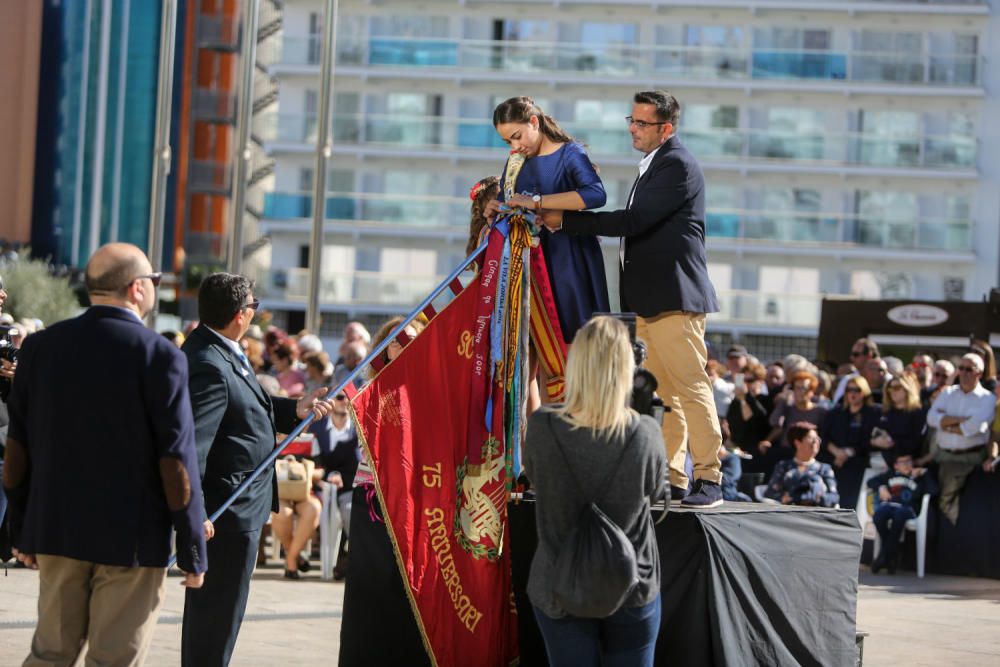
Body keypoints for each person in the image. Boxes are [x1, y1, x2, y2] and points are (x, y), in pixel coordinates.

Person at [2, 243, 207, 665]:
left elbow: (18, 447)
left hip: (57, 529)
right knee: (114, 659)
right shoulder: (160, 355)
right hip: (130, 539)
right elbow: (176, 459)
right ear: (136, 288)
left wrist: (21, 526)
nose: (156, 287)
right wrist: (191, 543)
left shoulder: (42, 348)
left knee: (49, 655)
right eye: (154, 280)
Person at [539, 89, 723, 507]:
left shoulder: (676, 163)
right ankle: (674, 478)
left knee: (691, 388)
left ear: (667, 129)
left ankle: (710, 478)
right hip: (653, 300)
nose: (633, 129)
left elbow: (634, 221)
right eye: (632, 121)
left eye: (641, 124)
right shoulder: (655, 165)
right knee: (667, 396)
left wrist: (567, 221)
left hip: (675, 297)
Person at [181, 272, 334, 667]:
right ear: (238, 316)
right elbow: (194, 447)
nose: (255, 313)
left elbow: (249, 405)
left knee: (222, 616)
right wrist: (194, 512)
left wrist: (294, 408)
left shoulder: (222, 348)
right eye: (254, 306)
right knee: (215, 617)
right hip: (225, 512)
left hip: (240, 507)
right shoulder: (209, 363)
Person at [524, 316, 666, 666]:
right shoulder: (646, 432)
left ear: (577, 364)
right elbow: (657, 491)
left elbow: (536, 480)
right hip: (633, 580)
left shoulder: (544, 425)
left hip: (559, 580)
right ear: (626, 368)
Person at [486, 96, 610, 346]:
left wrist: (538, 201)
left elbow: (596, 194)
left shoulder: (570, 153)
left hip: (569, 258)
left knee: (575, 341)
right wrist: (495, 210)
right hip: (528, 263)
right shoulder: (515, 162)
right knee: (533, 348)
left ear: (534, 122)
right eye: (508, 140)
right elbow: (509, 203)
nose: (514, 145)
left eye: (517, 136)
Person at [925, 353, 996, 524]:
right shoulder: (947, 393)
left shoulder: (988, 398)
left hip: (971, 461)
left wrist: (946, 422)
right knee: (937, 506)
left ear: (979, 373)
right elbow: (931, 419)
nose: (964, 373)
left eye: (969, 369)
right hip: (942, 457)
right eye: (961, 368)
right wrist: (960, 420)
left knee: (964, 511)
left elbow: (971, 429)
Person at [866, 454, 937, 574]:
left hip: (907, 508)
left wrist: (924, 473)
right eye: (903, 462)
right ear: (896, 466)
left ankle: (883, 558)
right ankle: (891, 555)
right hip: (889, 505)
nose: (907, 465)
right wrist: (881, 488)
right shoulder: (890, 475)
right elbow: (870, 482)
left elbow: (934, 491)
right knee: (878, 516)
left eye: (909, 461)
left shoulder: (919, 478)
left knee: (899, 515)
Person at [821, 376, 881, 509]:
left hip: (859, 462)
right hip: (834, 459)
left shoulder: (874, 412)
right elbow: (823, 437)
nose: (852, 394)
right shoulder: (835, 413)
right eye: (849, 390)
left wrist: (849, 452)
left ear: (864, 392)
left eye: (857, 390)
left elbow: (871, 438)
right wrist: (837, 452)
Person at [764, 422, 839, 507]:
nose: (816, 442)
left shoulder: (824, 469)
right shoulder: (784, 466)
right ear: (797, 442)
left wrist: (815, 497)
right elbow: (769, 493)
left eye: (817, 439)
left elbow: (834, 497)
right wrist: (787, 498)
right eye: (812, 438)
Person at [872, 375, 926, 466]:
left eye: (896, 388)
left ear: (907, 389)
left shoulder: (918, 413)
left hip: (907, 464)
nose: (892, 391)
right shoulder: (884, 412)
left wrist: (892, 442)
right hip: (881, 461)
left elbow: (916, 442)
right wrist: (874, 442)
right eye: (889, 388)